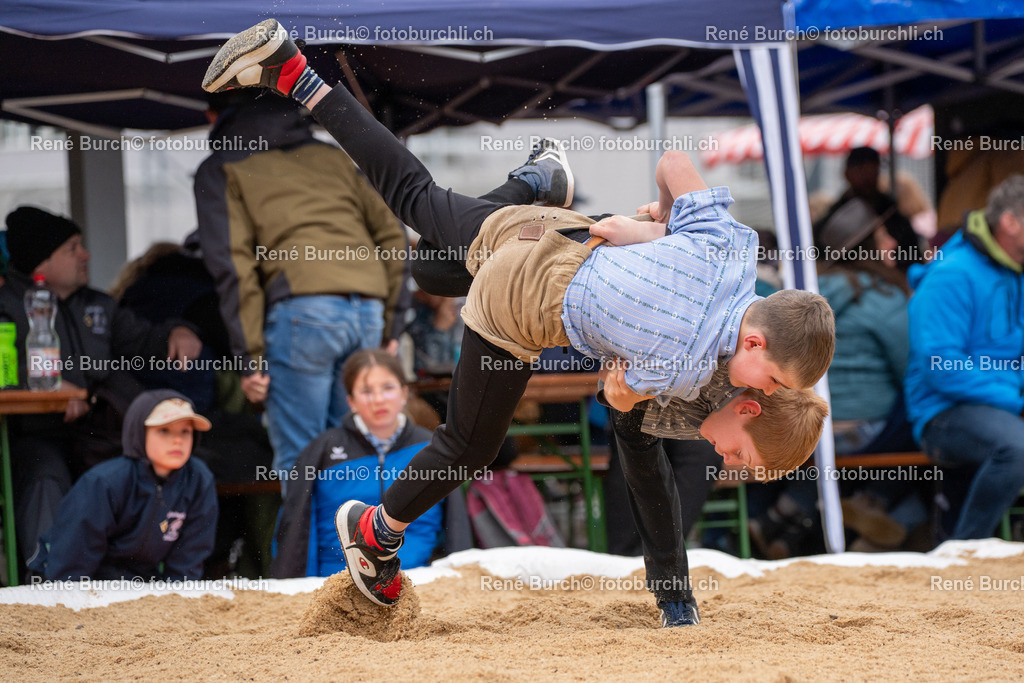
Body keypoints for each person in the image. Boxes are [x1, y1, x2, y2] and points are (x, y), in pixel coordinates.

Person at [201, 20, 835, 615]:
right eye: (741, 458)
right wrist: (675, 599)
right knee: (469, 444)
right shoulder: (687, 370)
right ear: (749, 394)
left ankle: (304, 79)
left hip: (564, 234)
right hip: (529, 296)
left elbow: (674, 164)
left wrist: (657, 231)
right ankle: (375, 529)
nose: (727, 466)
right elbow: (641, 456)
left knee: (431, 257)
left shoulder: (733, 252)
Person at [193, 88, 410, 485]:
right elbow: (394, 237)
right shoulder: (335, 158)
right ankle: (355, 548)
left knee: (302, 462)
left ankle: (304, 550)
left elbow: (234, 269)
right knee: (354, 453)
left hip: (303, 317)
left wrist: (250, 358)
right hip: (367, 314)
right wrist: (392, 323)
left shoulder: (220, 168)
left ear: (214, 118)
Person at [1, 206, 203, 576]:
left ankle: (131, 579)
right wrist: (42, 388)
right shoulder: (6, 305)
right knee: (44, 474)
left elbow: (144, 340)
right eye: (72, 247)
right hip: (33, 435)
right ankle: (49, 582)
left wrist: (177, 331)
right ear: (41, 261)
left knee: (149, 469)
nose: (86, 255)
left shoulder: (99, 305)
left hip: (100, 432)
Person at [906, 174, 1024, 540]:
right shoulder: (952, 274)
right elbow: (942, 367)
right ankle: (965, 550)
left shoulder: (1013, 271)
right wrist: (1016, 397)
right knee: (1017, 448)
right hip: (942, 412)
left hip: (1001, 402)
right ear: (1010, 222)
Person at [271, 350, 444, 578]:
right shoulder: (322, 451)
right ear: (351, 401)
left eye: (388, 388)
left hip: (417, 577)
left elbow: (450, 529)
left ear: (404, 393)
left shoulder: (430, 447)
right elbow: (297, 531)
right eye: (366, 391)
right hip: (335, 580)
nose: (378, 399)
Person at [28, 390, 218, 581]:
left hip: (138, 582)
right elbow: (72, 555)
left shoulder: (199, 481)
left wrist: (176, 601)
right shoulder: (106, 481)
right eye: (164, 430)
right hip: (69, 577)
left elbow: (188, 560)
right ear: (140, 433)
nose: (177, 440)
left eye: (185, 431)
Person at [817, 146, 922, 272]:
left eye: (872, 170)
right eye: (861, 170)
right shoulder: (833, 217)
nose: (867, 178)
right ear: (847, 174)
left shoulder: (893, 215)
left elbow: (912, 257)